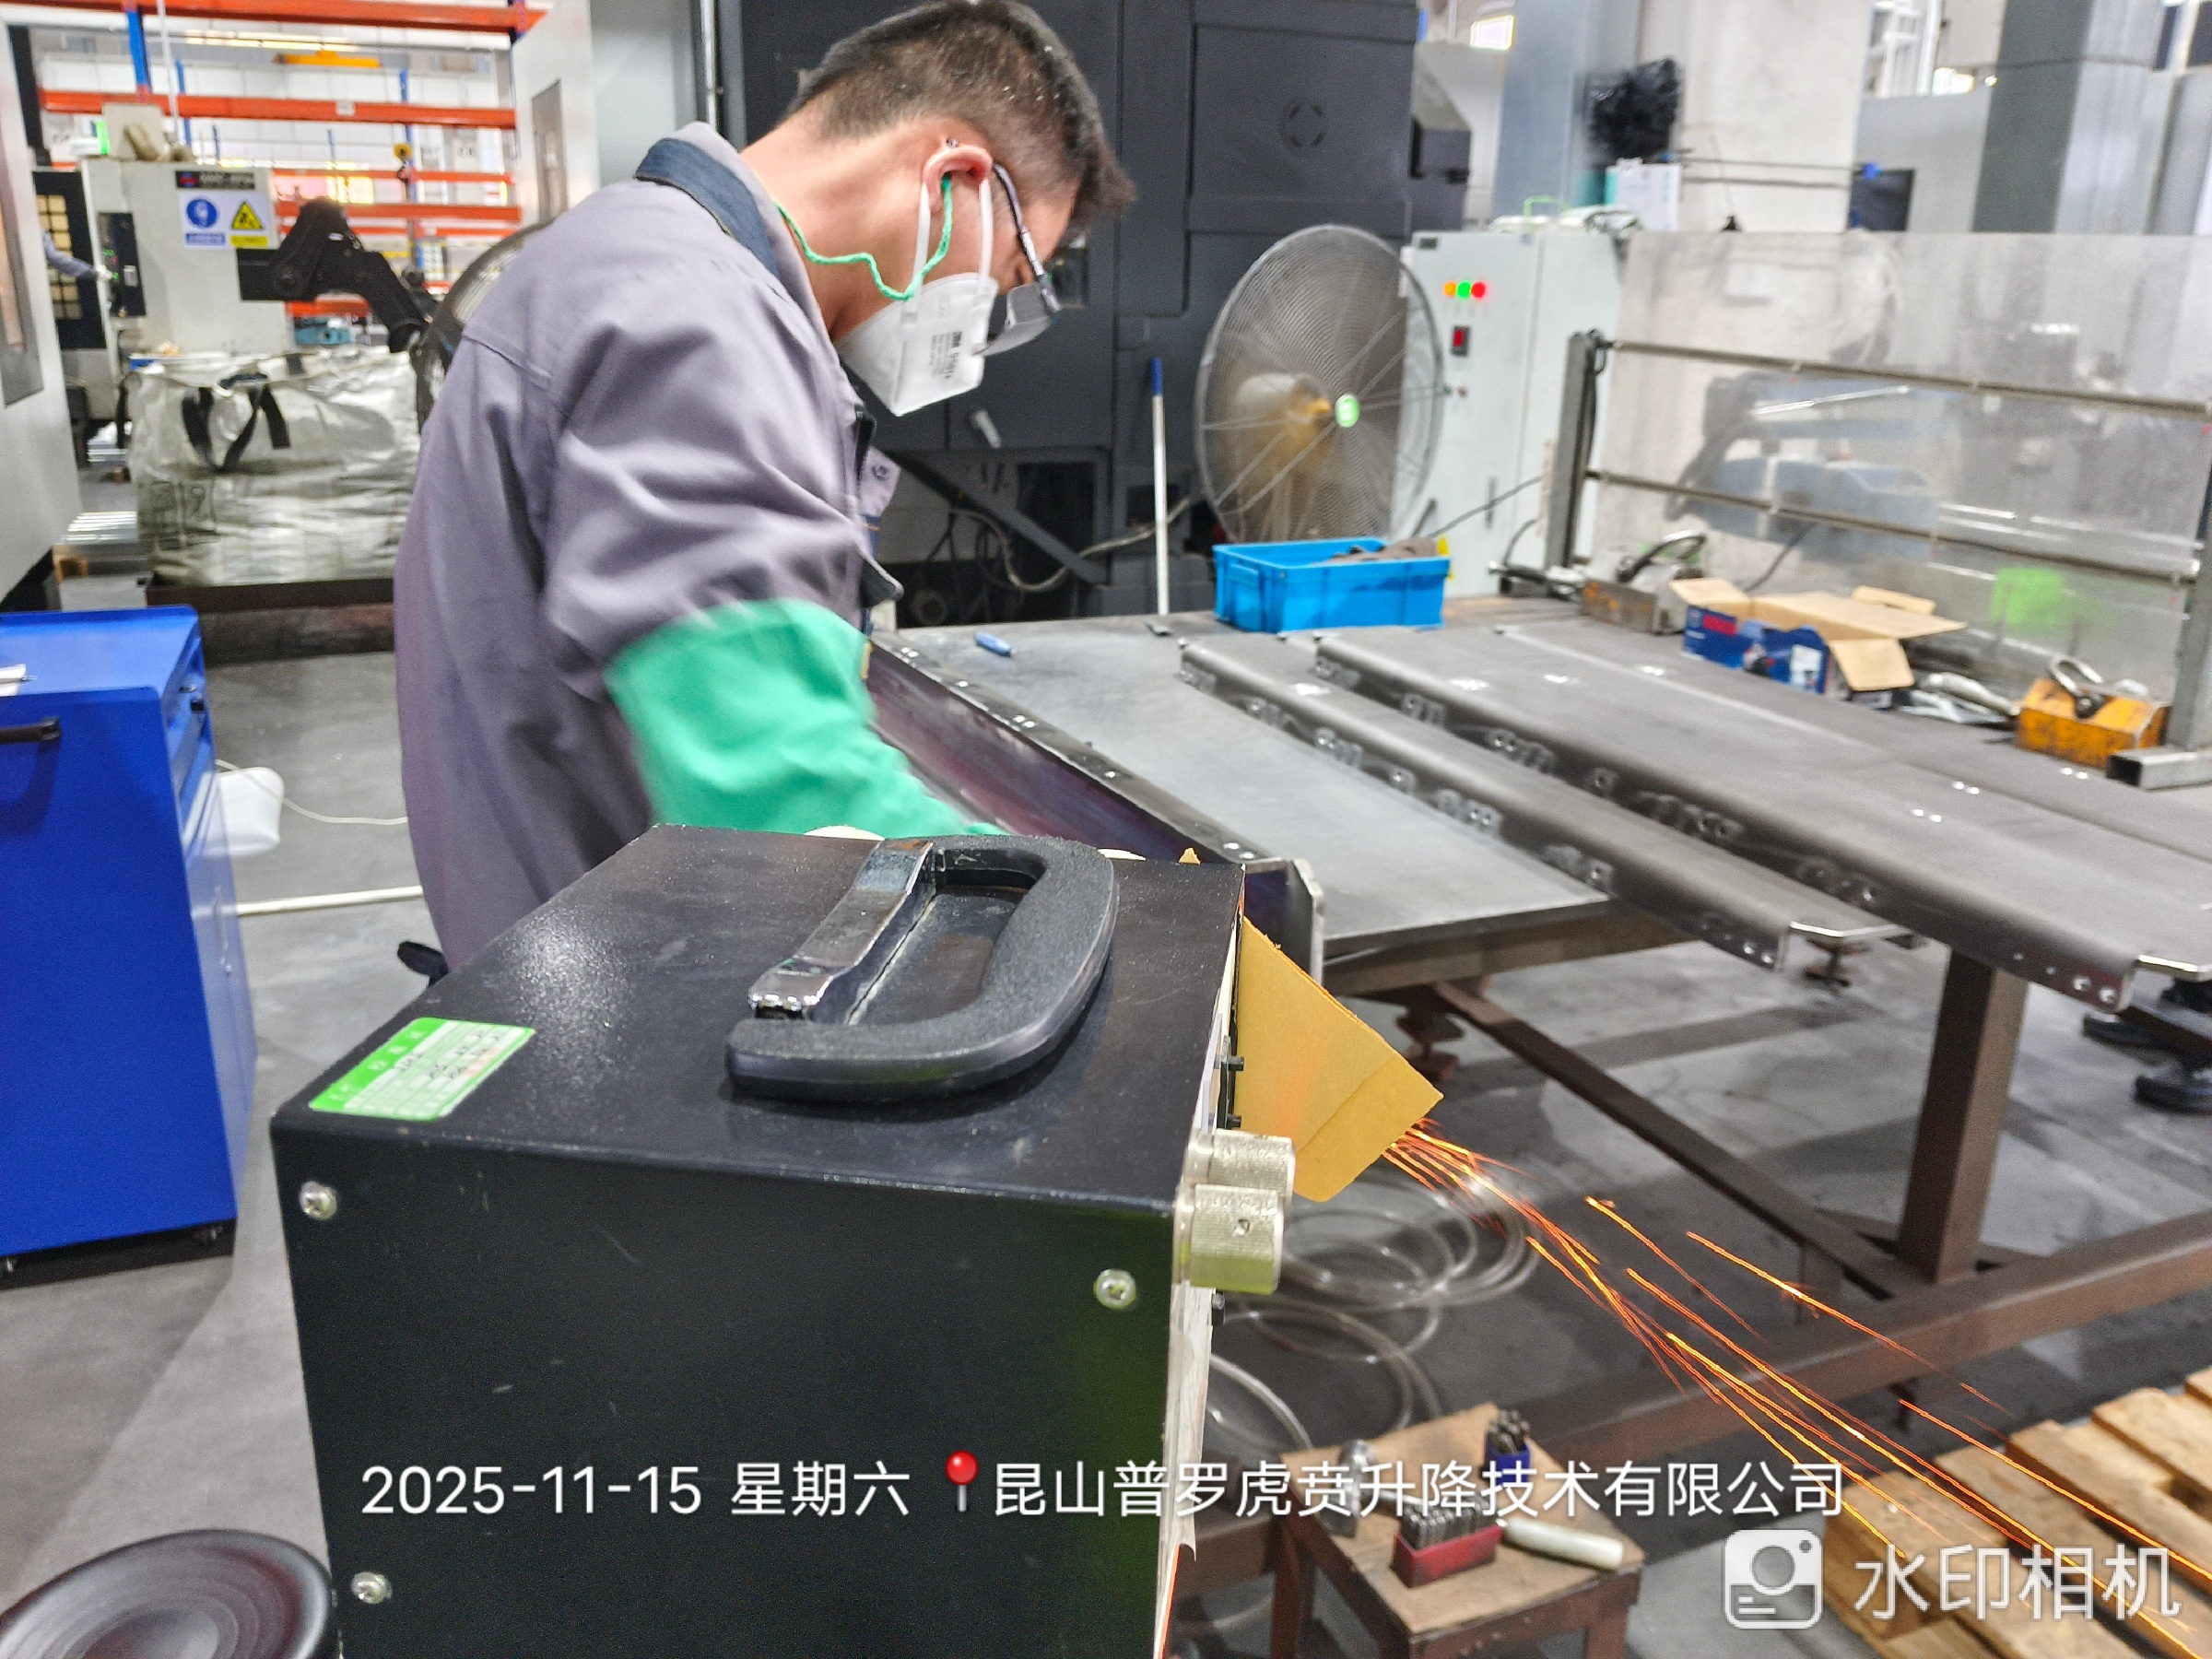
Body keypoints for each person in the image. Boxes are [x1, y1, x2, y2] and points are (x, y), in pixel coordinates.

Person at [394, 0, 1133, 966]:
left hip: (565, 934)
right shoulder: (698, 320)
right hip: (617, 981)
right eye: (1007, 275)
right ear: (954, 181)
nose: (984, 324)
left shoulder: (636, 247)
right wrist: (1082, 912)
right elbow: (780, 787)